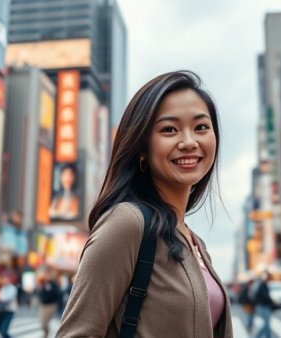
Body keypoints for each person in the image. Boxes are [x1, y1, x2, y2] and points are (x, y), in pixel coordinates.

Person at [56, 71, 232, 337]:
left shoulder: (194, 242)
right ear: (141, 148)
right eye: (169, 129)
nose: (188, 142)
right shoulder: (127, 222)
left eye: (201, 127)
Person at [37, 272, 60, 338]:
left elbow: (56, 294)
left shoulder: (53, 284)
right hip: (43, 305)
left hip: (51, 305)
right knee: (43, 322)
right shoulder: (43, 284)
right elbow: (40, 293)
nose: (47, 277)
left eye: (48, 276)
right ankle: (46, 333)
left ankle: (48, 335)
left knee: (50, 322)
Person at [250, 272, 274, 338]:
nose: (270, 280)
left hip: (263, 306)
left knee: (266, 324)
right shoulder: (262, 285)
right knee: (266, 324)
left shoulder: (263, 285)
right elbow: (265, 296)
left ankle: (266, 336)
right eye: (269, 278)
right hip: (263, 306)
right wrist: (272, 303)